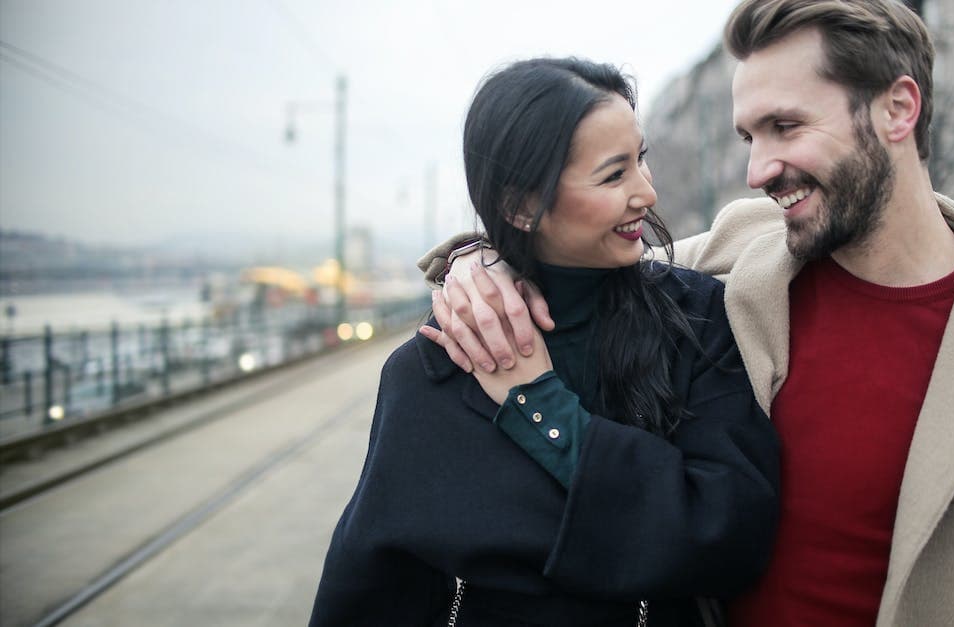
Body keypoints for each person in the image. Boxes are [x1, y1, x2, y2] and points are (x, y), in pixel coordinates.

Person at [420, 1, 954, 624]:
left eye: (786, 127)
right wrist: (474, 262)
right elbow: (577, 249)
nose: (759, 169)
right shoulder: (732, 253)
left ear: (898, 109)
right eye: (749, 135)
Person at [309, 57, 780, 627]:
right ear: (521, 207)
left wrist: (543, 406)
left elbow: (731, 532)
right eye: (614, 175)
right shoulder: (432, 367)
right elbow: (376, 583)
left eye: (641, 161)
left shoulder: (693, 318)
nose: (647, 194)